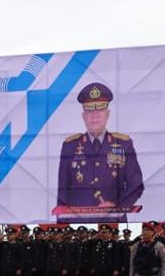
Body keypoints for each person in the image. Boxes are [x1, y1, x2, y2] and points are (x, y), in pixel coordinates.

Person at [56, 83, 144, 214]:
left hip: (112, 224)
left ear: (108, 114)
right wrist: (63, 228)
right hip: (79, 226)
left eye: (100, 110)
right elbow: (63, 192)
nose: (94, 115)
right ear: (83, 116)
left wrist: (116, 205)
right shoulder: (70, 146)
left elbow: (136, 185)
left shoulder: (123, 144)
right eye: (89, 110)